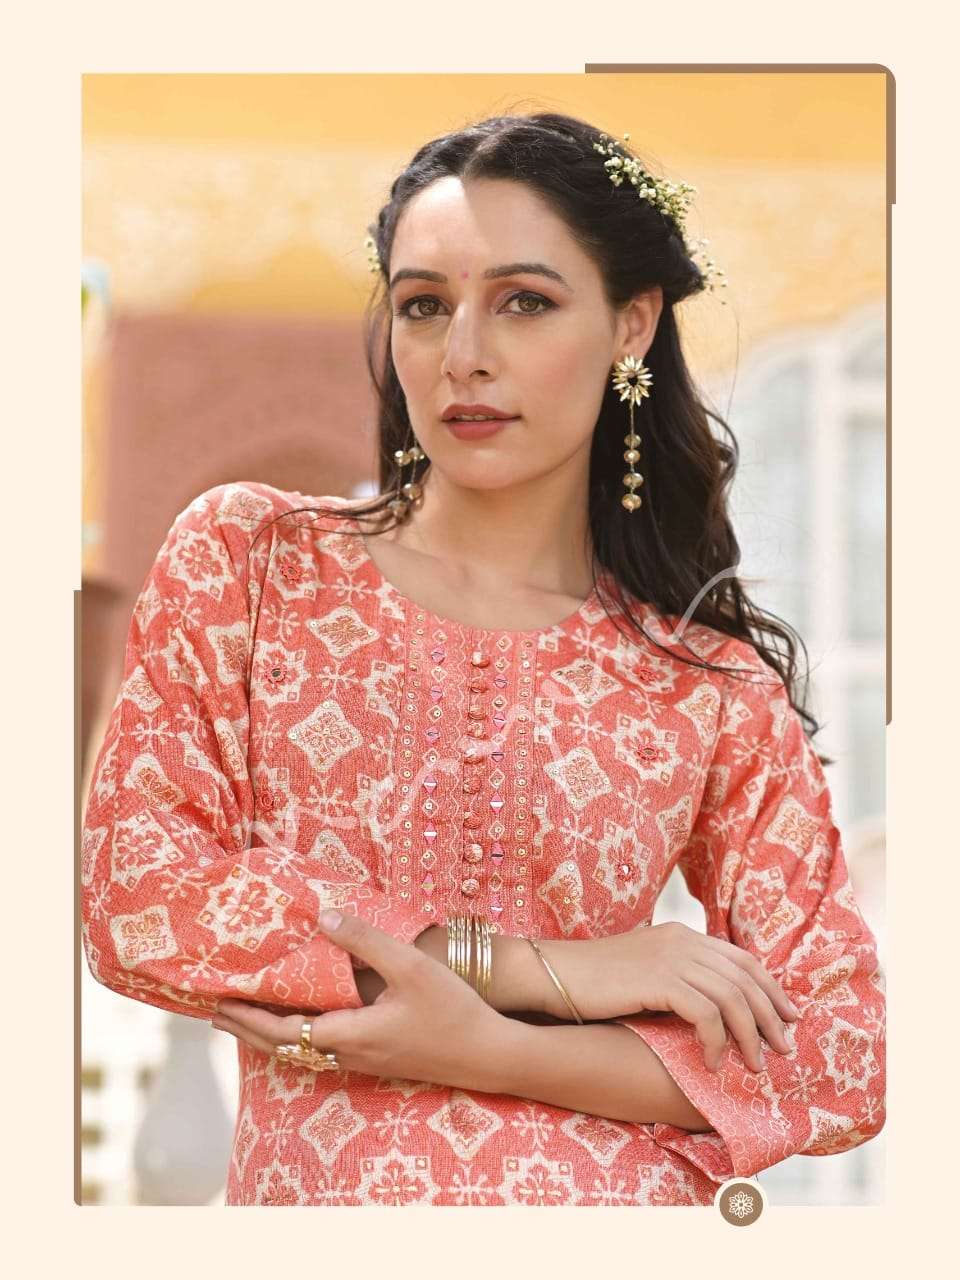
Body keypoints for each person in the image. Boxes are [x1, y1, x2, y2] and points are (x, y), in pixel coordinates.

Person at [80, 111, 885, 1206]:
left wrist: (489, 1049)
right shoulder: (256, 563)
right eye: (425, 305)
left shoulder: (705, 687)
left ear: (632, 323)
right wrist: (548, 970)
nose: (464, 354)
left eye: (525, 302)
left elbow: (840, 1054)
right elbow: (143, 896)